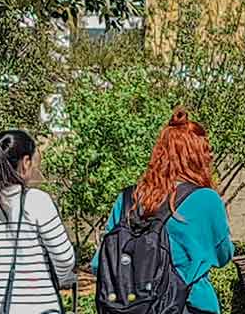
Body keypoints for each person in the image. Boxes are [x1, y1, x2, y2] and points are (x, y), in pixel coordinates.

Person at [100, 109, 235, 314]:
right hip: (188, 305)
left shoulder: (128, 199)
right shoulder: (206, 199)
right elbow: (224, 255)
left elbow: (99, 263)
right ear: (198, 157)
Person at [0, 129, 77, 314]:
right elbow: (64, 258)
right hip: (37, 308)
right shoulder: (38, 201)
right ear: (26, 162)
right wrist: (54, 281)